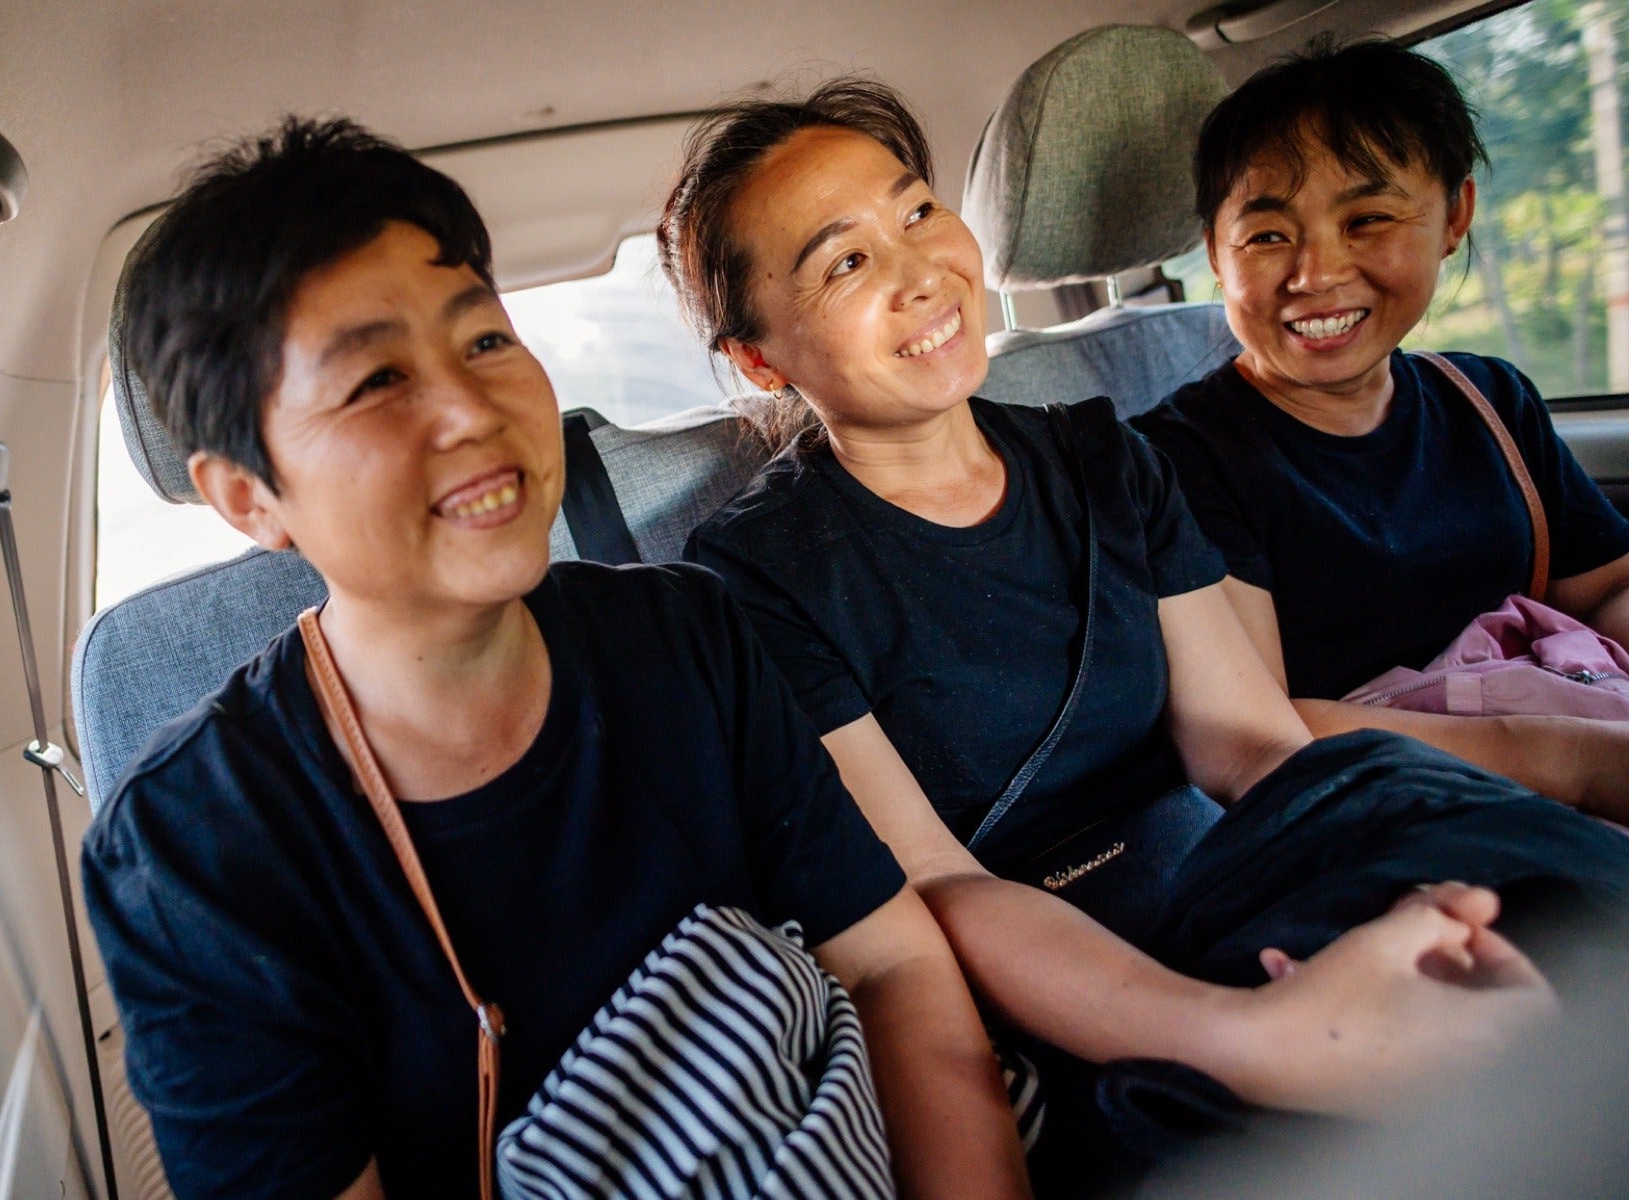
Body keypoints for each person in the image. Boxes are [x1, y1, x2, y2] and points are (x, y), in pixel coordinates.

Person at [84, 115, 1030, 1200]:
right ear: (248, 496)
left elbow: (892, 962)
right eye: (376, 382)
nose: (472, 409)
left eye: (485, 340)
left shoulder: (687, 637)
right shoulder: (189, 848)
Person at [665, 77, 1579, 1119]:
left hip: (1236, 876)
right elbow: (936, 888)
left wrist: (1394, 883)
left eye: (916, 211)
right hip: (1057, 984)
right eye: (847, 261)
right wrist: (1247, 1036)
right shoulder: (750, 577)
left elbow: (1249, 747)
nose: (922, 271)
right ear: (758, 359)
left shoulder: (1106, 457)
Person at [1134, 39, 1629, 821]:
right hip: (1379, 809)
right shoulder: (1173, 464)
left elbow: (1605, 589)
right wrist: (1571, 758)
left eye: (1367, 219)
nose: (1317, 273)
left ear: (1453, 217)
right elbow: (1260, 730)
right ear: (1216, 256)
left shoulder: (1489, 399)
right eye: (1267, 235)